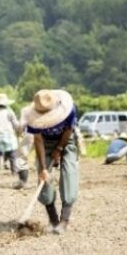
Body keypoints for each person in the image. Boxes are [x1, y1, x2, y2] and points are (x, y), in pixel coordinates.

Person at [25, 89, 78, 235]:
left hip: (66, 142)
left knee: (69, 176)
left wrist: (59, 149)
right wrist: (43, 168)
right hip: (45, 143)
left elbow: (69, 130)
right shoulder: (32, 118)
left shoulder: (68, 109)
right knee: (45, 183)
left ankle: (64, 221)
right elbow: (38, 140)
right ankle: (53, 220)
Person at [12, 105, 34, 189]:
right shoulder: (53, 109)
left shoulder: (26, 109)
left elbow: (21, 125)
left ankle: (23, 181)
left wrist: (19, 132)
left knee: (21, 157)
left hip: (32, 133)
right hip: (49, 134)